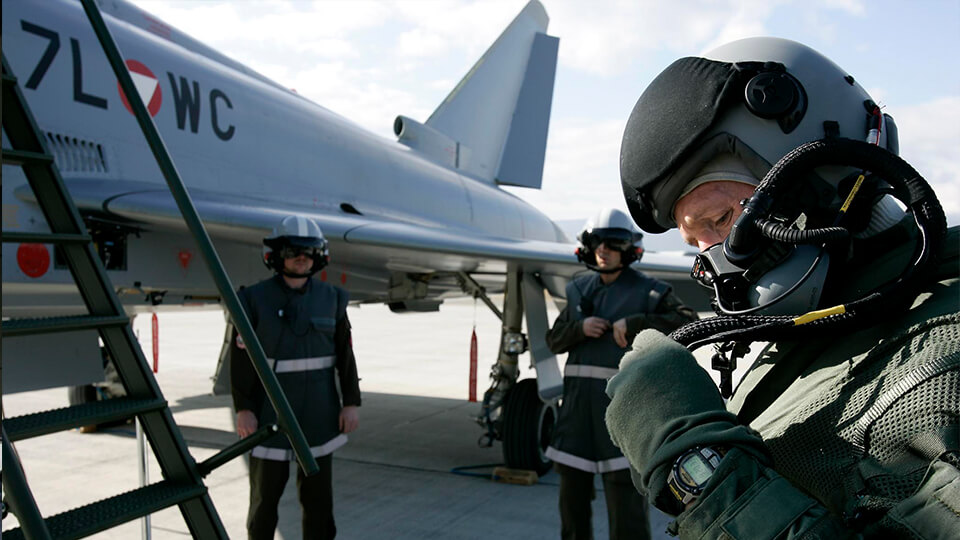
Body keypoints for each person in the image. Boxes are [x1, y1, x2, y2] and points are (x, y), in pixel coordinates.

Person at [605, 37, 959, 538]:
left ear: (822, 171)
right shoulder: (825, 326)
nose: (716, 261)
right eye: (696, 241)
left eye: (721, 219)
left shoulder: (944, 355)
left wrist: (702, 476)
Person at [544, 208, 699, 540]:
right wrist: (579, 328)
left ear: (629, 248)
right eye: (597, 241)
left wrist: (637, 323)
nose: (603, 249)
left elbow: (688, 324)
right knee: (572, 506)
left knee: (627, 512)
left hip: (624, 420)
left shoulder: (650, 292)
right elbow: (554, 340)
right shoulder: (578, 290)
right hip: (576, 418)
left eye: (612, 242)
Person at [230, 215, 361, 540]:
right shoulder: (252, 300)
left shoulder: (333, 299)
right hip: (270, 414)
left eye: (309, 251)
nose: (302, 258)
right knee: (264, 502)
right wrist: (244, 408)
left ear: (320, 256)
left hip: (319, 413)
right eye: (293, 251)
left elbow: (345, 356)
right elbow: (241, 360)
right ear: (276, 255)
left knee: (319, 503)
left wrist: (351, 403)